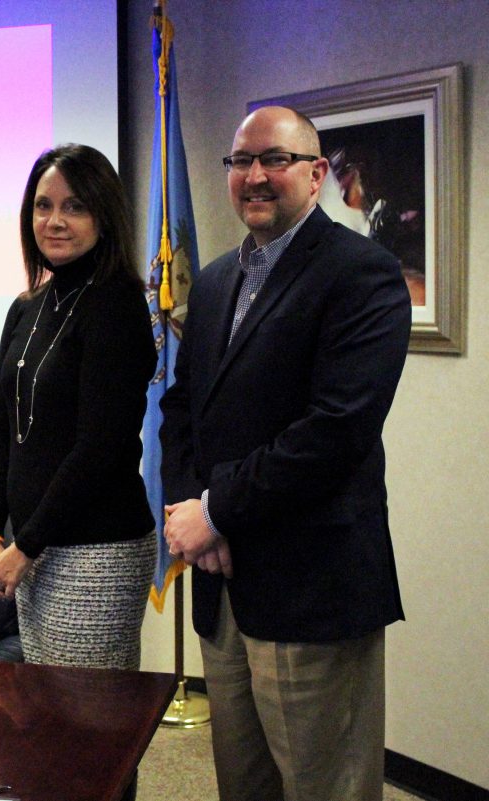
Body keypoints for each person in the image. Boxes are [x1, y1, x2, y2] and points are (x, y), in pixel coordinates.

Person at [159, 106, 411, 801]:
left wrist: (216, 511)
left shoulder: (363, 272)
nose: (256, 176)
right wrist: (191, 510)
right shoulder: (213, 281)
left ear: (317, 172)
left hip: (312, 586)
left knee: (324, 786)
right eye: (242, 161)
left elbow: (336, 429)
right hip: (225, 585)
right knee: (244, 784)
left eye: (276, 159)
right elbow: (183, 409)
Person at [0, 143, 156, 670]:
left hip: (97, 552)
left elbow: (101, 446)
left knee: (85, 726)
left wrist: (24, 547)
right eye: (42, 205)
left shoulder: (117, 304)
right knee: (49, 720)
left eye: (74, 206)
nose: (54, 221)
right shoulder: (27, 307)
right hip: (33, 548)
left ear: (104, 214)